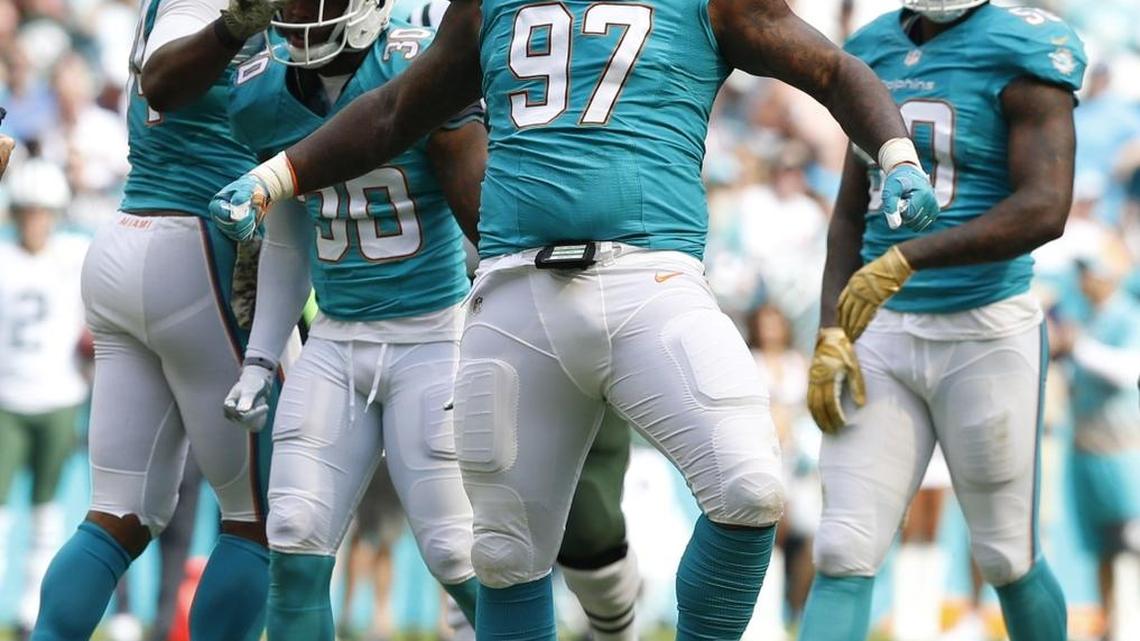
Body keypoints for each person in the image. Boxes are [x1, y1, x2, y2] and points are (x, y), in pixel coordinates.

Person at [209, 0, 939, 638]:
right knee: (503, 556)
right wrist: (277, 176)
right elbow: (399, 109)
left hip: (651, 279)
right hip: (515, 290)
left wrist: (897, 153)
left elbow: (833, 70)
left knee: (749, 485)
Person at [801, 2, 1086, 641]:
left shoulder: (1025, 44)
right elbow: (852, 210)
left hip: (984, 329)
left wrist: (908, 256)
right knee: (843, 547)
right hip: (879, 329)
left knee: (1006, 553)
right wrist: (830, 329)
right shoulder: (871, 46)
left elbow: (1046, 206)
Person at [219, 0, 487, 636]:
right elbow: (288, 229)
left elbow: (483, 210)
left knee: (458, 548)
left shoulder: (419, 60)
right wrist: (260, 357)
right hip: (336, 338)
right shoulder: (263, 90)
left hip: (434, 333)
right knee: (293, 532)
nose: (299, 14)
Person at [29, 0, 290, 638]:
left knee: (120, 515)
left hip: (132, 234)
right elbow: (165, 77)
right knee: (262, 518)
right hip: (200, 245)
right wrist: (234, 26)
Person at [0, 159, 89, 641]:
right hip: (7, 398)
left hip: (59, 396)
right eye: (28, 211)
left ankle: (31, 607)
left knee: (46, 512)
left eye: (44, 212)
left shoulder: (74, 255)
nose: (36, 220)